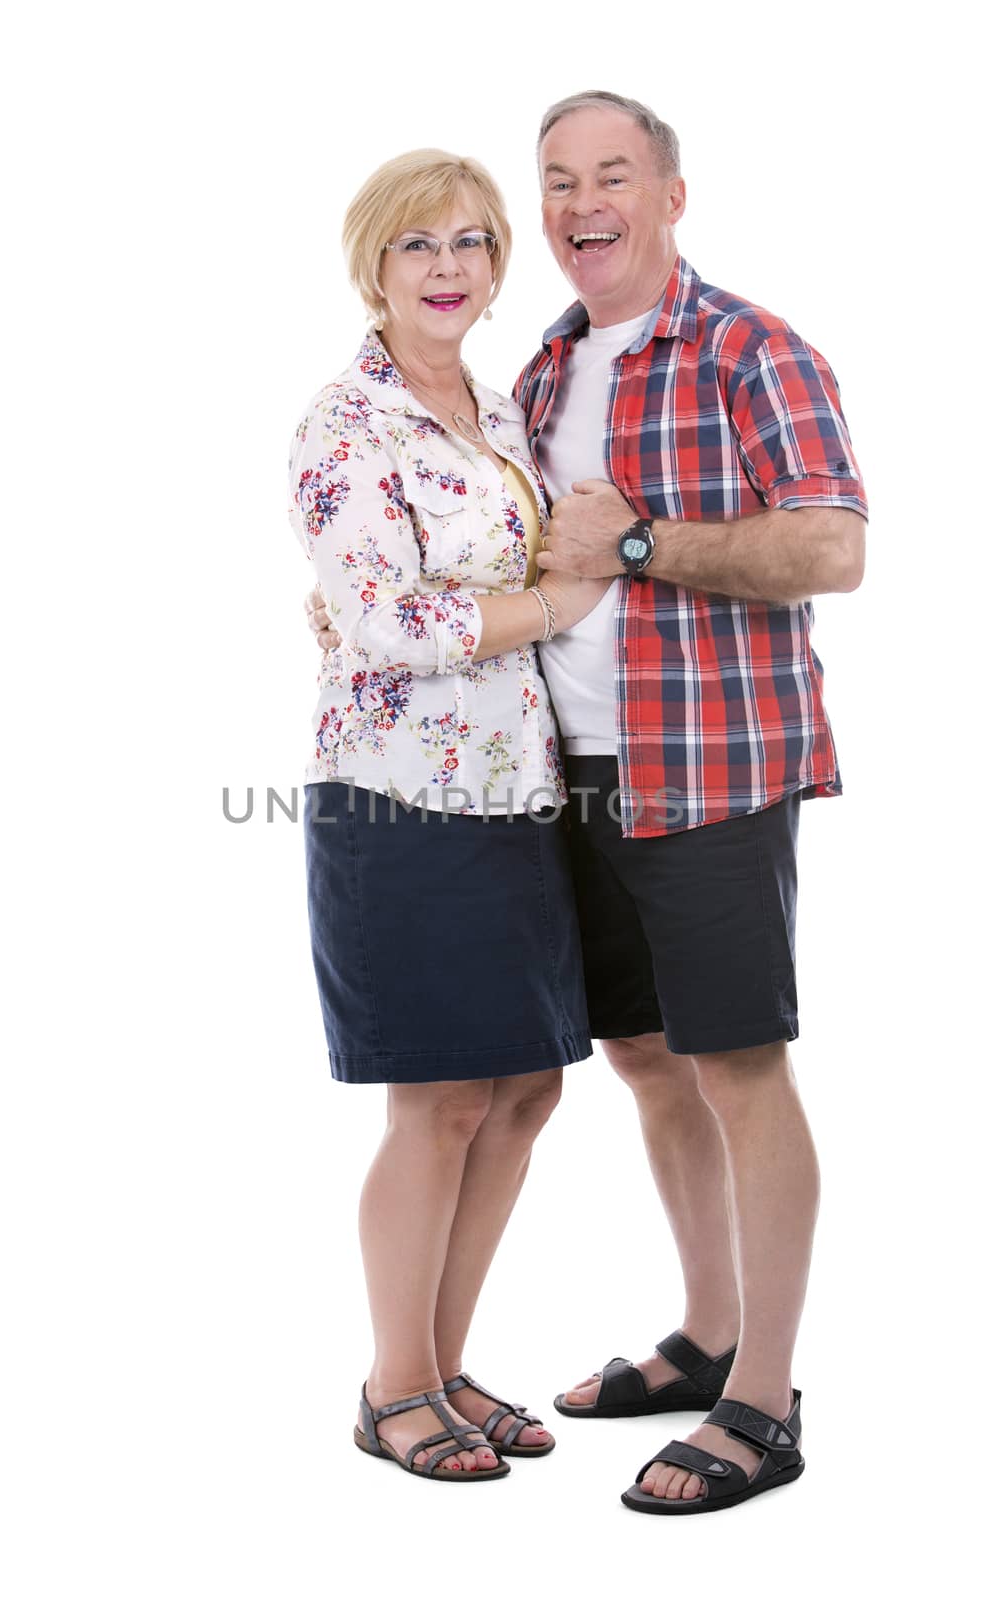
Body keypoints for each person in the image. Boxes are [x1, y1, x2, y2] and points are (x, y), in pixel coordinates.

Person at [308, 94, 867, 1514]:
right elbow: (407, 585)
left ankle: (762, 1399)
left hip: (709, 769)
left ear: (674, 193)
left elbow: (830, 547)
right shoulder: (538, 373)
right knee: (638, 1063)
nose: (581, 203)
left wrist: (632, 544)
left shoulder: (751, 347)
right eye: (558, 181)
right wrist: (412, 612)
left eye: (612, 175)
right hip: (552, 786)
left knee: (737, 1067)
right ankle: (699, 1334)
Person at [288, 148, 609, 1483]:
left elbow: (494, 570)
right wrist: (550, 606)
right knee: (437, 1103)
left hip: (516, 788)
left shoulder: (493, 404)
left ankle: (445, 1361)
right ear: (376, 262)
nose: (449, 268)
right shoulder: (345, 423)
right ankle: (393, 1385)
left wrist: (555, 575)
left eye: (473, 243)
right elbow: (384, 618)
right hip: (400, 800)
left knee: (522, 1090)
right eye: (420, 245)